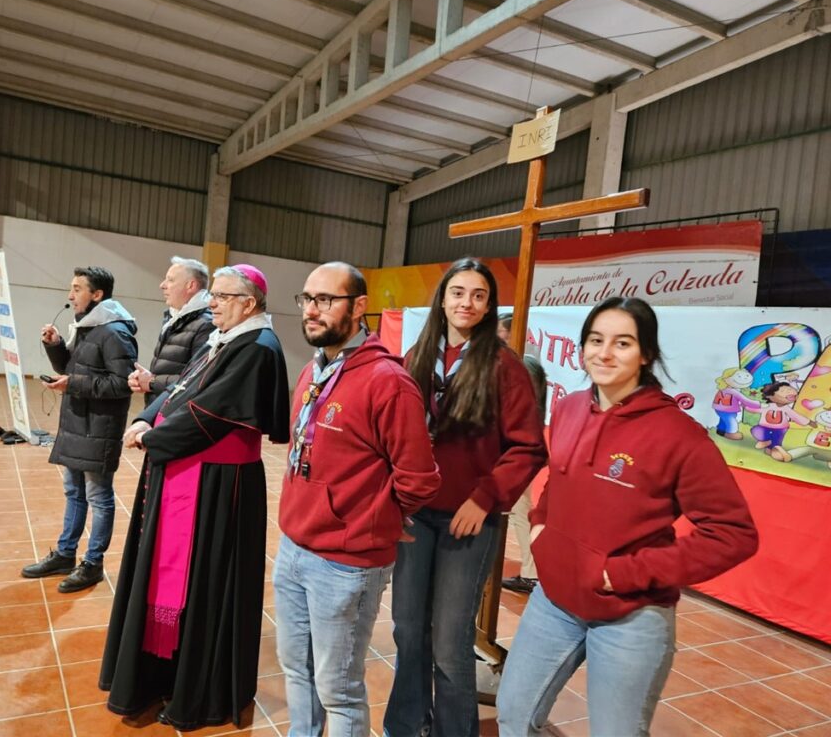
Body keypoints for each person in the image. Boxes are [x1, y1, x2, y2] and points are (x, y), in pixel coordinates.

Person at [496, 297, 759, 737]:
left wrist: (622, 573)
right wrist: (542, 528)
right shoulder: (569, 408)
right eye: (595, 340)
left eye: (622, 343)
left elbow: (733, 535)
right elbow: (559, 478)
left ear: (646, 354)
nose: (604, 353)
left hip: (631, 616)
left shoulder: (678, 435)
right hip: (554, 601)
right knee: (513, 713)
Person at [99, 264, 289, 730]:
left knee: (205, 586)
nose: (212, 304)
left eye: (221, 296)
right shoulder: (222, 337)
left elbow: (214, 411)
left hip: (219, 486)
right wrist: (147, 418)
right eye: (213, 295)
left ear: (249, 302)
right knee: (168, 578)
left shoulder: (258, 346)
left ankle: (199, 692)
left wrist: (154, 439)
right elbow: (181, 387)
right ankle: (162, 674)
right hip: (191, 474)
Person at [275, 261, 440, 737]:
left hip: (345, 563)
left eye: (326, 300)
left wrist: (379, 517)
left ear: (359, 306)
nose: (312, 310)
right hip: (294, 546)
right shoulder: (313, 370)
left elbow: (419, 478)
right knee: (297, 671)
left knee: (339, 690)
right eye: (307, 299)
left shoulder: (388, 381)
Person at [384, 259, 547, 737]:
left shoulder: (504, 366)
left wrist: (484, 498)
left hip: (468, 520)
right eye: (458, 292)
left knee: (451, 639)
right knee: (408, 628)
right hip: (415, 515)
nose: (467, 303)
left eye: (479, 295)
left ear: (489, 305)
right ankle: (407, 725)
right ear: (442, 299)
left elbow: (528, 448)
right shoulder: (416, 356)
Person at [22, 267, 138, 592]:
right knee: (74, 492)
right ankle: (65, 554)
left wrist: (73, 383)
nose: (70, 295)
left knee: (99, 497)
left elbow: (122, 384)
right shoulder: (88, 326)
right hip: (77, 424)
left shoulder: (114, 332)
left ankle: (93, 563)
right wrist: (56, 345)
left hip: (98, 428)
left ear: (97, 295)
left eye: (77, 289)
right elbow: (71, 367)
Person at [129, 256, 213, 406]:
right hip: (161, 406)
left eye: (171, 280)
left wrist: (152, 382)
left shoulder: (206, 324)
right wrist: (146, 377)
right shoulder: (174, 318)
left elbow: (197, 378)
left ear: (191, 285)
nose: (162, 285)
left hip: (176, 412)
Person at [502, 348, 548, 596]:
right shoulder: (528, 365)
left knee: (521, 511)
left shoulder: (525, 366)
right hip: (522, 451)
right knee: (521, 511)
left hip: (518, 453)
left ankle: (532, 573)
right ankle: (532, 572)